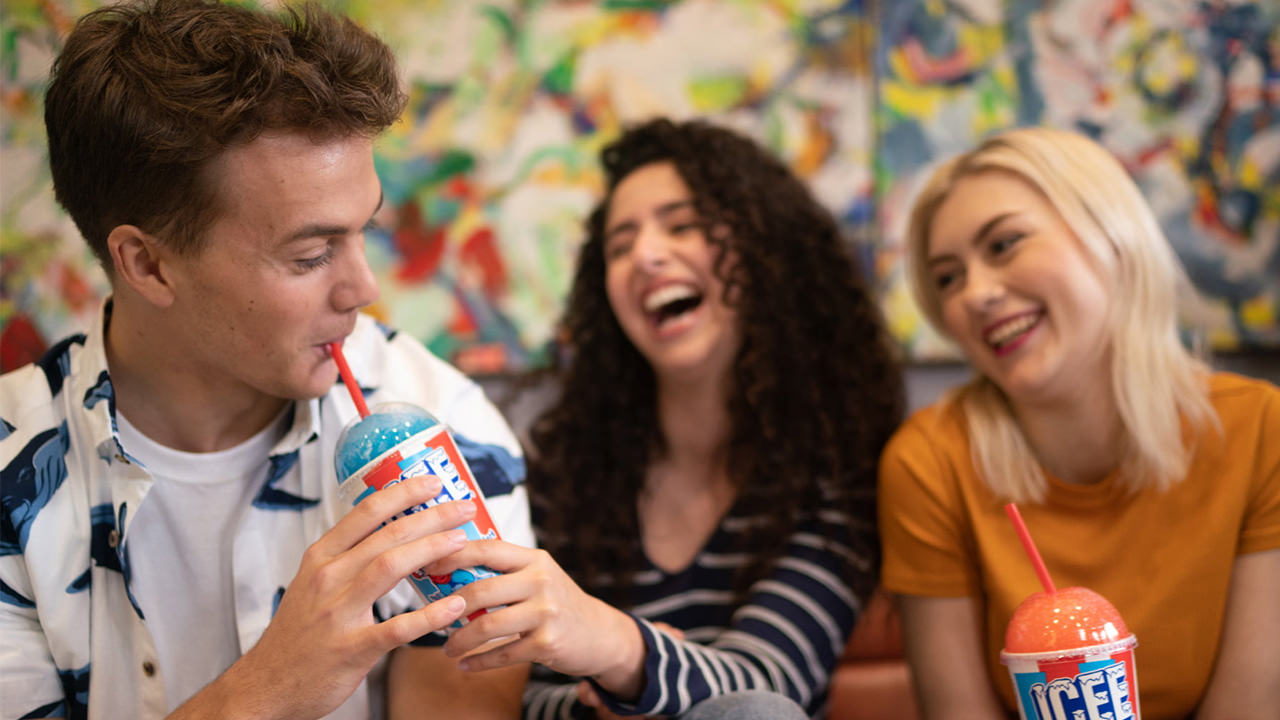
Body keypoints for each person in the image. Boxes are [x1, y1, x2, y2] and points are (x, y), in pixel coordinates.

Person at [0, 1, 534, 717]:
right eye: (311, 254)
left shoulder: (440, 429)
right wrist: (267, 689)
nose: (364, 289)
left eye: (363, 231)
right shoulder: (13, 471)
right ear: (148, 264)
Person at [412, 118, 906, 719]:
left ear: (765, 254)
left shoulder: (835, 470)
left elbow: (768, 682)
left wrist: (611, 644)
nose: (645, 256)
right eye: (620, 246)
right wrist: (599, 698)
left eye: (682, 226)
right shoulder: (567, 475)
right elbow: (511, 691)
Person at [879, 126, 1280, 719]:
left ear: (1110, 235)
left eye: (1004, 244)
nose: (975, 294)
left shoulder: (1260, 431)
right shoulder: (929, 461)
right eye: (947, 278)